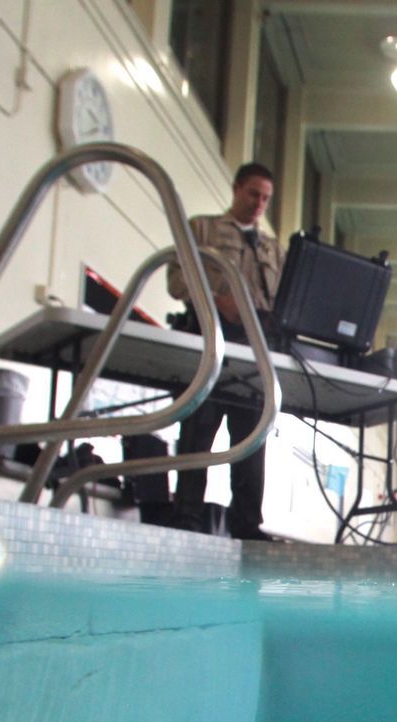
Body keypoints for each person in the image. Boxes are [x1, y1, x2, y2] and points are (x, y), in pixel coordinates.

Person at [164, 161, 284, 540]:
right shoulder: (203, 229)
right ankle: (187, 518)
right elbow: (176, 278)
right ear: (236, 189)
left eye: (265, 198)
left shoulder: (273, 250)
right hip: (211, 339)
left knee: (251, 440)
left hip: (254, 351)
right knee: (198, 431)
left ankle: (248, 525)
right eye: (253, 194)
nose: (258, 204)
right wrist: (217, 301)